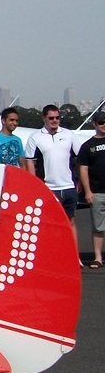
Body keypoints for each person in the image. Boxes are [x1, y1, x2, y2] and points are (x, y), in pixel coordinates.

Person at [25, 104, 81, 262]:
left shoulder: (69, 135)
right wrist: (35, 186)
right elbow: (30, 162)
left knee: (71, 221)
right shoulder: (35, 137)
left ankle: (74, 257)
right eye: (51, 118)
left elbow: (79, 159)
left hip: (69, 186)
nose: (54, 121)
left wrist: (79, 181)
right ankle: (51, 257)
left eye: (57, 118)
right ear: (44, 119)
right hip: (49, 188)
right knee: (49, 225)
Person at [76, 111, 105, 268]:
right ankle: (98, 257)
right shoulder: (87, 146)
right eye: (101, 122)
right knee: (98, 227)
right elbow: (83, 169)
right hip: (97, 191)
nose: (104, 125)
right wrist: (87, 191)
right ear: (94, 124)